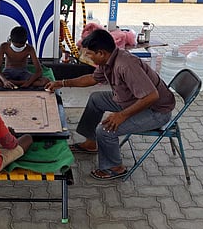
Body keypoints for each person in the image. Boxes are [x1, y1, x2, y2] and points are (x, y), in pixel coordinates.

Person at [45, 29, 175, 181]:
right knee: (96, 99)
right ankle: (91, 143)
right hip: (130, 99)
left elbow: (152, 96)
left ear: (101, 53)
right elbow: (92, 79)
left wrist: (121, 115)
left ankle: (115, 167)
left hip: (155, 110)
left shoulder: (125, 65)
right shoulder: (109, 59)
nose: (87, 57)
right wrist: (62, 83)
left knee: (105, 130)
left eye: (89, 54)